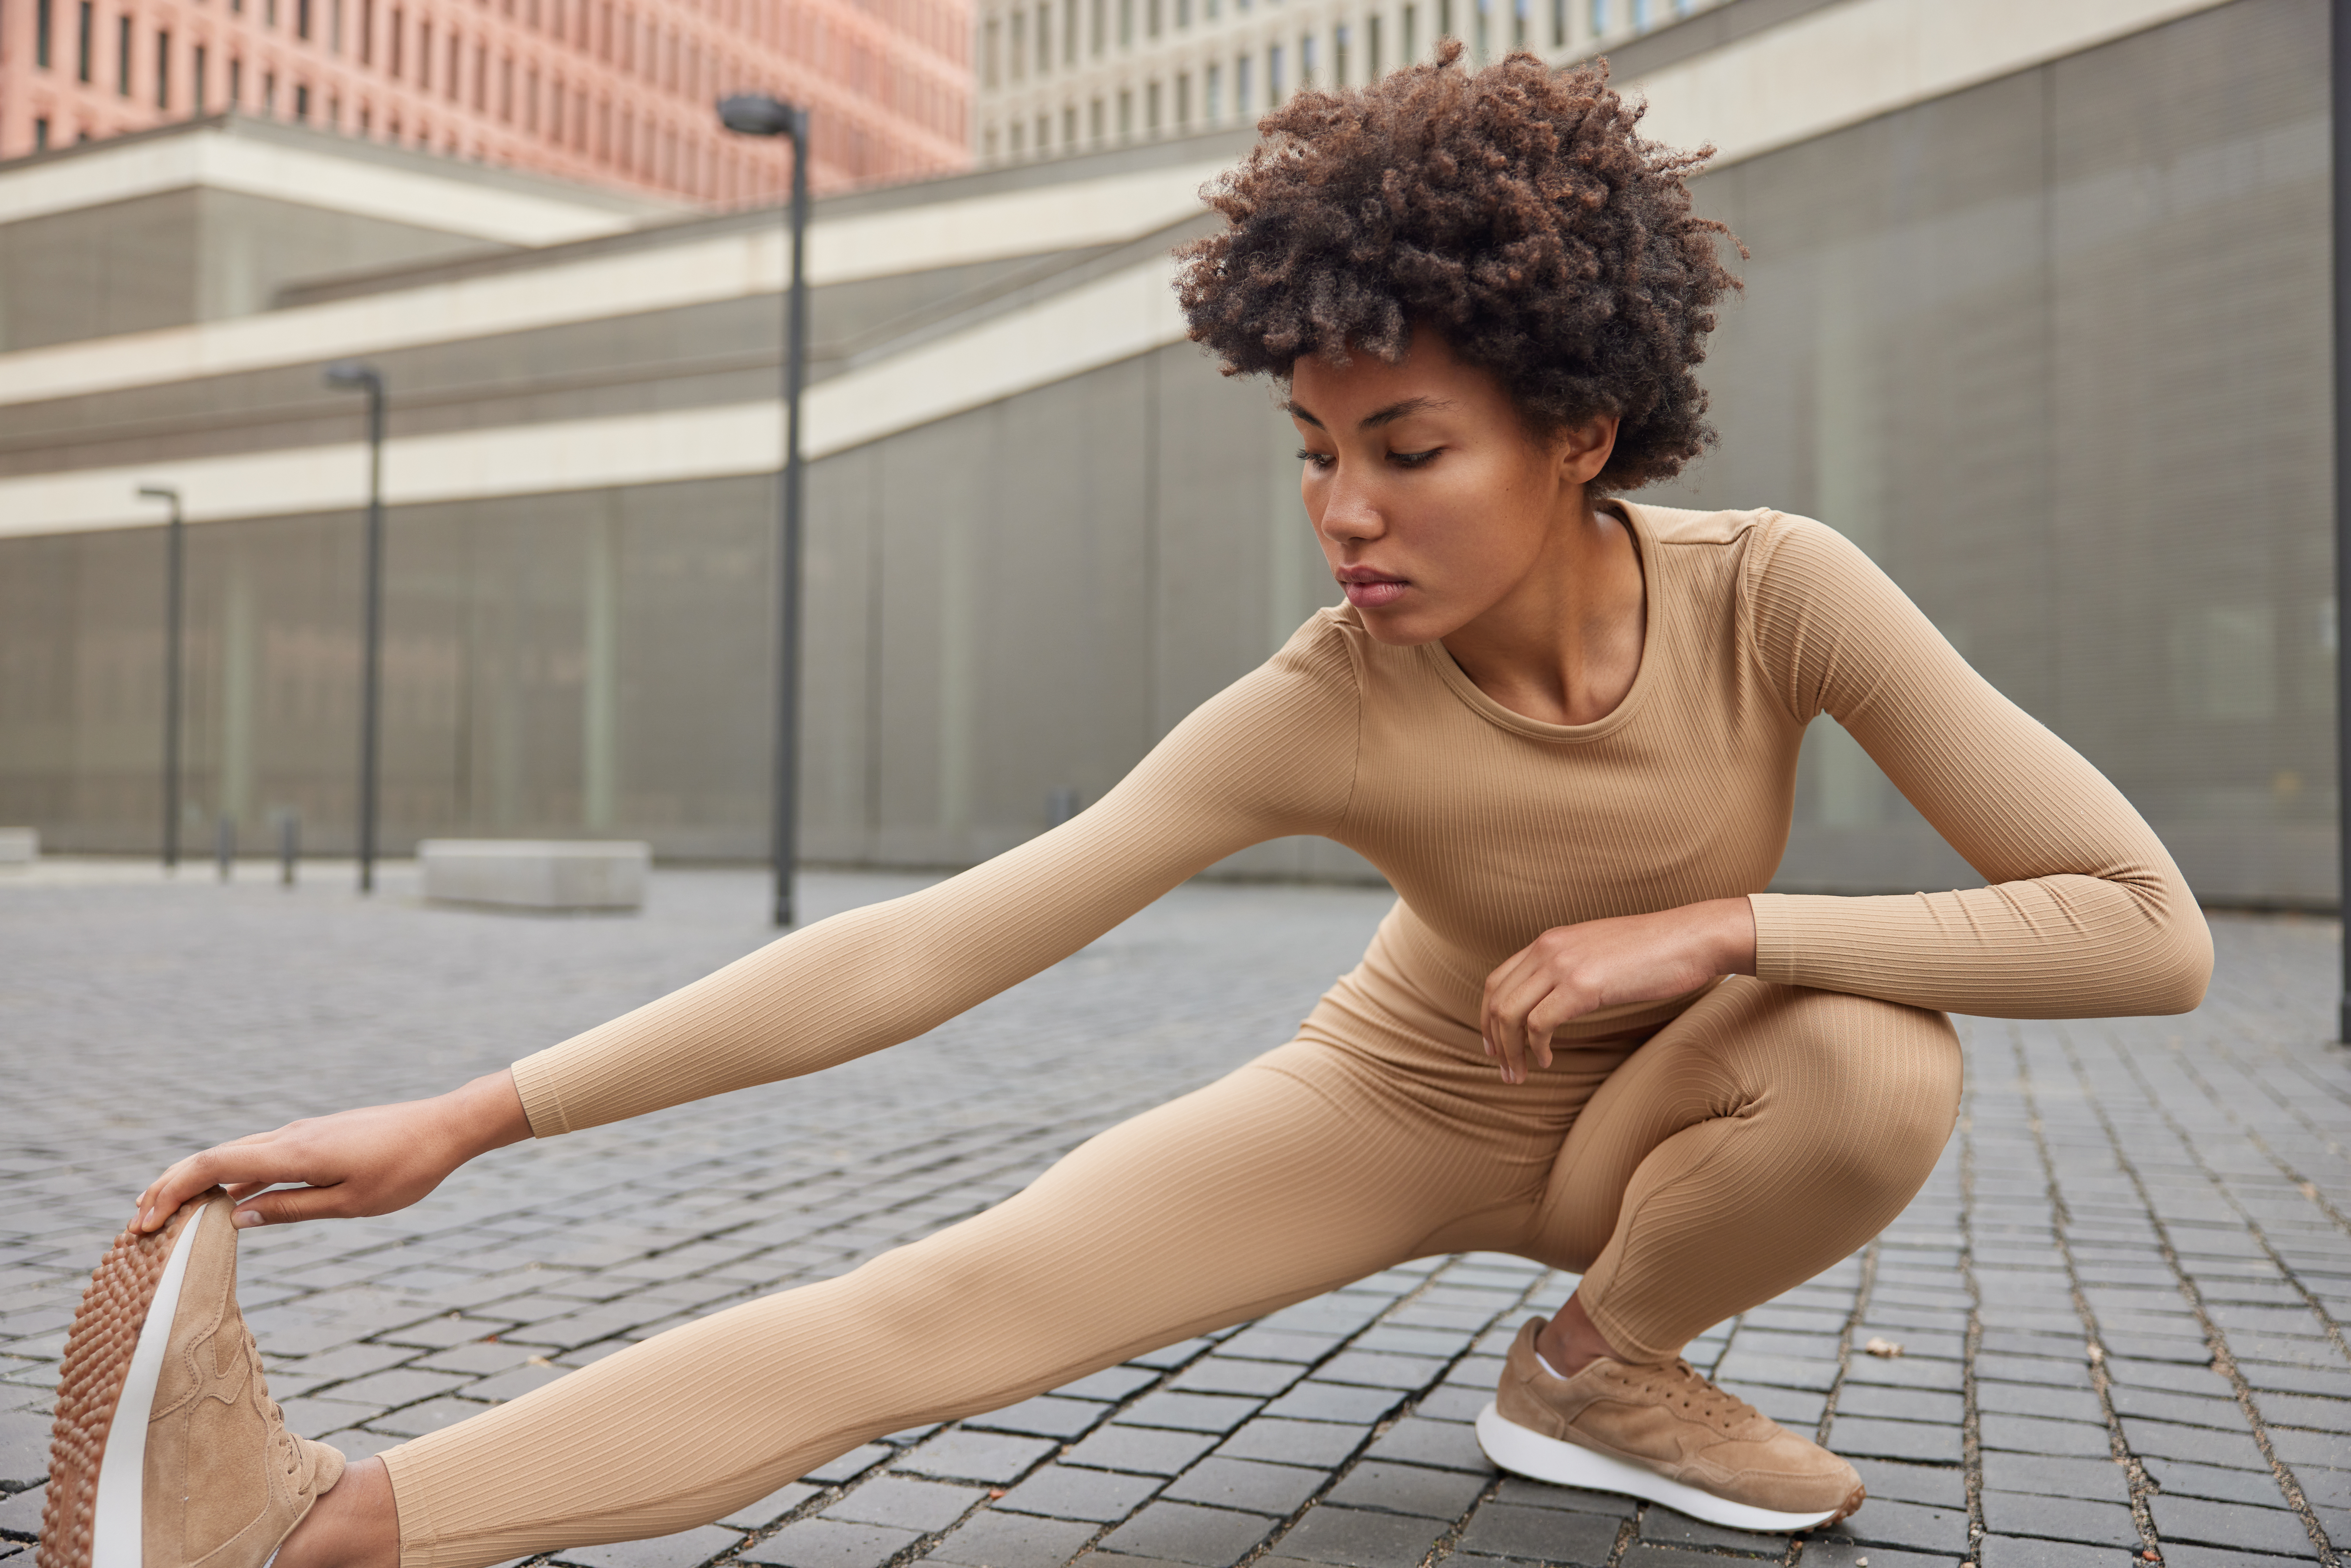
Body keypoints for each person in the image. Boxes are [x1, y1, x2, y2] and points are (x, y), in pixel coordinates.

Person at [40, 44, 2212, 1568]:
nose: (1339, 510)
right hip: (1406, 1099)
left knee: (1867, 1056)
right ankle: (314, 1529)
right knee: (937, 1309)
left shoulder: (1784, 593)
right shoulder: (1332, 699)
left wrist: (1725, 931)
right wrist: (469, 1117)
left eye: (1406, 447)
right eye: (1307, 443)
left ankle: (1598, 1369)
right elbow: (931, 942)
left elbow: (2141, 920)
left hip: (1678, 1114)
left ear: (1581, 428)